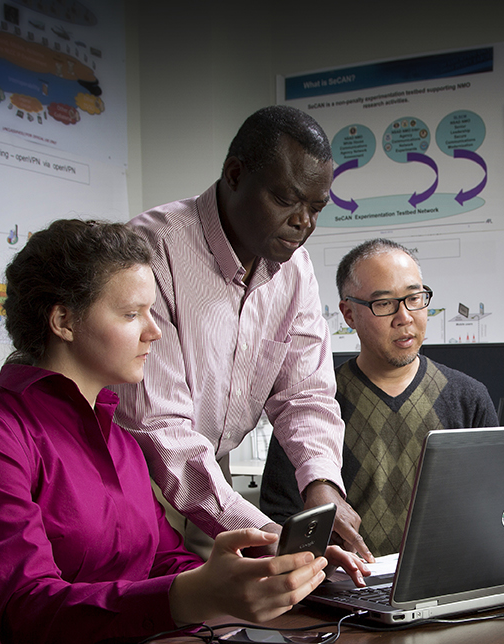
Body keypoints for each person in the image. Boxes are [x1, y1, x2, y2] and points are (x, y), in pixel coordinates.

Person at [0, 220, 329, 644]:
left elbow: (162, 558)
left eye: (153, 311)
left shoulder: (119, 437)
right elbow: (26, 613)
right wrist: (193, 595)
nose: (154, 332)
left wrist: (249, 573)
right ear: (63, 321)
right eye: (132, 313)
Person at [112, 105, 371, 571]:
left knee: (230, 628)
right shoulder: (155, 250)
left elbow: (306, 394)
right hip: (135, 477)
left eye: (316, 208)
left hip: (211, 469)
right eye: (287, 200)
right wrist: (274, 534)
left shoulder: (295, 269)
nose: (303, 222)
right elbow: (158, 428)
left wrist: (322, 486)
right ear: (234, 174)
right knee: (163, 620)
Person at [259, 239, 498, 553]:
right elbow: (279, 515)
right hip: (347, 585)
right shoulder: (311, 404)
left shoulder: (468, 397)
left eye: (414, 298)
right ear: (349, 314)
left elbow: (498, 506)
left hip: (445, 584)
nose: (404, 317)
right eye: (384, 304)